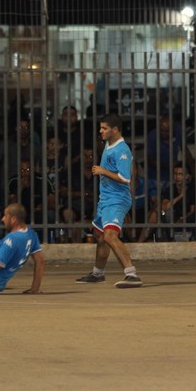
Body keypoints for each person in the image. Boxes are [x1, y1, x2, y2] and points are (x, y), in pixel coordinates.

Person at [75, 113, 143, 288]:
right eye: (100, 127)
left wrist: (103, 171)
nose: (101, 131)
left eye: (104, 128)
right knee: (102, 237)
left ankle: (131, 273)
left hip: (116, 200)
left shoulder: (122, 150)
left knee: (111, 236)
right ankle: (98, 273)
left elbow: (125, 178)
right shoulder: (108, 143)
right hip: (105, 200)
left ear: (115, 129)